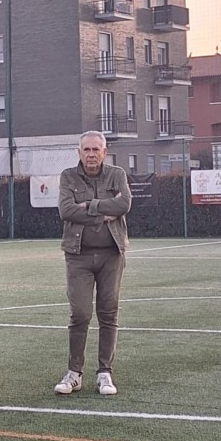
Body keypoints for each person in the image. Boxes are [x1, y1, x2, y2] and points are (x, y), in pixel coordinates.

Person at [55, 131, 131, 397]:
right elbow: (66, 210)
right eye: (86, 149)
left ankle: (104, 373)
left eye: (95, 149)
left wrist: (90, 205)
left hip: (112, 253)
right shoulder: (68, 176)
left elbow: (124, 204)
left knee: (109, 313)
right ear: (79, 152)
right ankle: (74, 373)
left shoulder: (117, 174)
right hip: (78, 255)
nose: (90, 154)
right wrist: (102, 213)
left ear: (104, 151)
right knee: (80, 313)